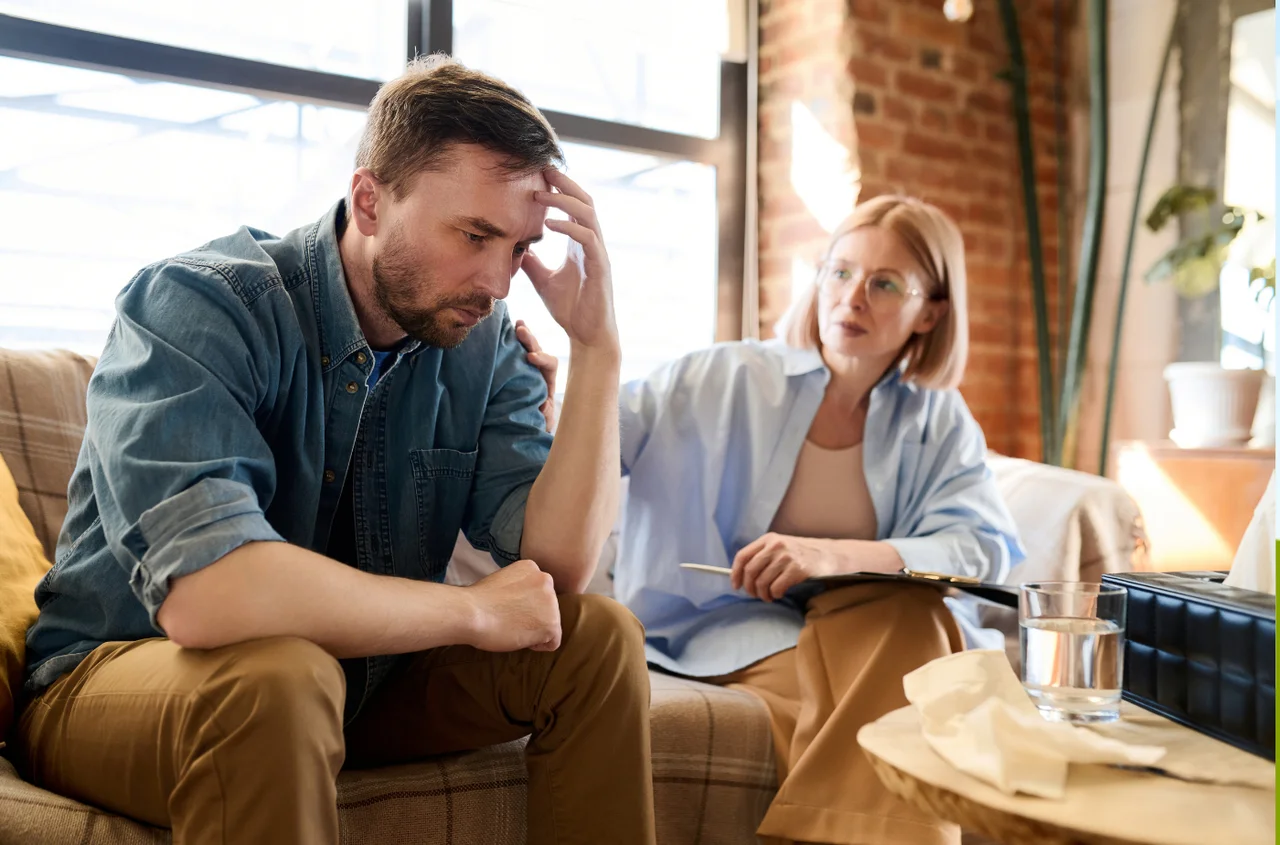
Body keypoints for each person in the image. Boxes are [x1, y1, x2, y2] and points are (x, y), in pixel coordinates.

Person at [18, 56, 655, 845]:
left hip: (358, 684)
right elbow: (208, 594)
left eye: (519, 247)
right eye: (475, 234)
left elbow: (555, 574)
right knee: (283, 677)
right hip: (120, 675)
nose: (498, 281)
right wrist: (466, 609)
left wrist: (598, 348)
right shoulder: (199, 303)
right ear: (370, 201)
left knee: (595, 638)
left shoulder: (480, 342)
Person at [609, 194, 1021, 845]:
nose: (852, 297)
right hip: (727, 625)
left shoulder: (938, 419)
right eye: (839, 271)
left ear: (931, 311)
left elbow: (982, 547)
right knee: (910, 699)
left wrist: (834, 554)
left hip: (872, 623)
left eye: (886, 283)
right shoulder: (725, 375)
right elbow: (596, 437)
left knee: (909, 616)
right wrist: (555, 390)